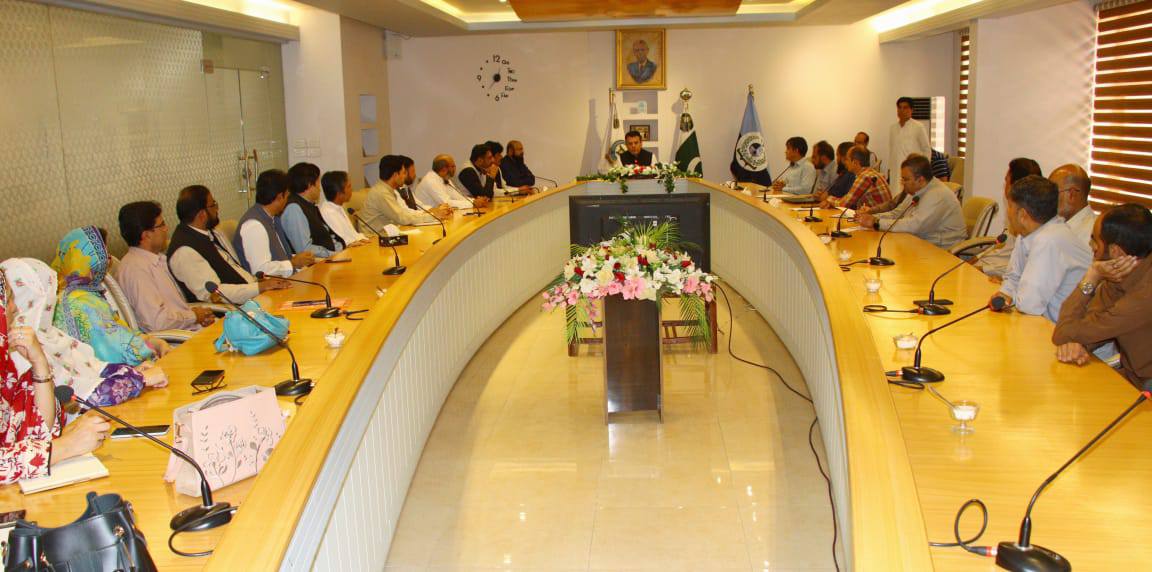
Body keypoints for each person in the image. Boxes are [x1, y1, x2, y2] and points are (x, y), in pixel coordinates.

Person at [3, 257, 165, 406]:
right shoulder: (20, 349)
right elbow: (82, 397)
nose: (54, 301)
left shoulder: (48, 334)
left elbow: (94, 367)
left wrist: (130, 373)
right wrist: (140, 380)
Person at [1, 277, 109, 484]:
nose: (14, 307)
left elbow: (35, 435)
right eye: (7, 298)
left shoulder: (5, 369)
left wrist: (39, 363)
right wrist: (66, 446)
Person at [1052, 203, 1152, 387]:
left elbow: (1063, 333)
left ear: (1115, 251)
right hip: (1132, 375)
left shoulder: (1144, 296)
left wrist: (1093, 275)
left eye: (1094, 240)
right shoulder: (1120, 276)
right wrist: (1079, 343)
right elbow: (1081, 328)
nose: (1091, 246)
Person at [52, 227, 170, 366]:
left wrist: (155, 342)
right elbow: (116, 351)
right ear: (91, 259)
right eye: (105, 254)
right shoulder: (80, 302)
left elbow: (120, 334)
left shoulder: (81, 293)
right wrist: (152, 346)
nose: (108, 260)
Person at [989, 175, 1091, 322]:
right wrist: (1004, 295)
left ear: (1022, 215)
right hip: (1042, 322)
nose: (1008, 213)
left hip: (1067, 330)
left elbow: (1029, 305)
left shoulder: (1050, 239)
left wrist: (1011, 298)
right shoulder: (1027, 234)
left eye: (1009, 206)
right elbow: (1013, 277)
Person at [168, 185, 288, 304]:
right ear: (202, 215)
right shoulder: (185, 251)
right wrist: (259, 287)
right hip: (233, 310)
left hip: (251, 295)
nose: (217, 208)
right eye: (213, 205)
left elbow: (235, 269)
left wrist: (260, 283)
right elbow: (216, 293)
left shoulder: (211, 232)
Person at [115, 201, 215, 332]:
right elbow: (157, 322)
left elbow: (173, 309)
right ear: (146, 235)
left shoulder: (155, 259)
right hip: (179, 340)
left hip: (192, 330)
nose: (166, 229)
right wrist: (194, 317)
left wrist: (198, 315)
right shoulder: (135, 270)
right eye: (161, 225)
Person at [857, 154, 967, 250]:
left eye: (906, 179)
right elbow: (897, 213)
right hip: (922, 242)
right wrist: (870, 217)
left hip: (943, 250)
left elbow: (915, 226)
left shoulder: (937, 195)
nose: (902, 183)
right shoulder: (917, 190)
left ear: (920, 180)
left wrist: (877, 223)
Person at [234, 169, 316, 277]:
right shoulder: (254, 225)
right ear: (279, 197)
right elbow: (261, 270)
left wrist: (299, 259)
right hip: (271, 285)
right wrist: (293, 263)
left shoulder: (272, 218)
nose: (288, 200)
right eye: (287, 196)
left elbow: (279, 256)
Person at [975, 158, 1043, 279]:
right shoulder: (1020, 212)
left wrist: (984, 269)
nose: (1005, 186)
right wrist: (976, 259)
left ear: (1015, 185)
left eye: (1006, 180)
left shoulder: (1028, 220)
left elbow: (1022, 268)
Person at [362, 155, 451, 229]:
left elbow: (403, 214)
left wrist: (432, 213)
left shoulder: (386, 189)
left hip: (388, 235)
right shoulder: (382, 193)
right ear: (395, 175)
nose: (405, 176)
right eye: (404, 173)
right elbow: (402, 218)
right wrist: (432, 216)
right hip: (374, 239)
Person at [282, 162, 343, 258]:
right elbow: (304, 249)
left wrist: (342, 248)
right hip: (318, 263)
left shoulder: (309, 204)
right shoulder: (294, 209)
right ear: (309, 185)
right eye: (318, 183)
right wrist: (334, 254)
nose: (320, 188)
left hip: (330, 256)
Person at [822, 145, 891, 210]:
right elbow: (847, 200)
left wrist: (828, 199)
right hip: (879, 215)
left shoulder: (864, 177)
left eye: (847, 159)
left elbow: (844, 204)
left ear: (855, 162)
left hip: (878, 217)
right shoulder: (872, 173)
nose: (845, 162)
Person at [888, 97, 931, 195]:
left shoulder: (918, 127)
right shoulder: (893, 128)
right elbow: (892, 150)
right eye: (899, 107)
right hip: (896, 171)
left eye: (905, 107)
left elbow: (926, 149)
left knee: (910, 198)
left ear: (911, 110)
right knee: (895, 196)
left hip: (912, 172)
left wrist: (923, 170)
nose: (901, 110)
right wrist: (890, 170)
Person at [318, 171, 371, 247]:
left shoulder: (338, 206)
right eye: (349, 186)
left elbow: (352, 234)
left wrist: (364, 237)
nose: (351, 189)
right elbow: (343, 241)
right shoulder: (328, 212)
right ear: (339, 193)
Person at [1051, 164, 1096, 243]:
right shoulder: (1057, 223)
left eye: (1052, 193)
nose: (1048, 198)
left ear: (1071, 194)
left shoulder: (1091, 234)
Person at [416, 155, 481, 210]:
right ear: (444, 168)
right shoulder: (431, 181)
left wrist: (474, 201)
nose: (455, 169)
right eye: (452, 166)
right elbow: (446, 203)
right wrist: (473, 203)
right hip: (429, 218)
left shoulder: (445, 178)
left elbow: (458, 196)